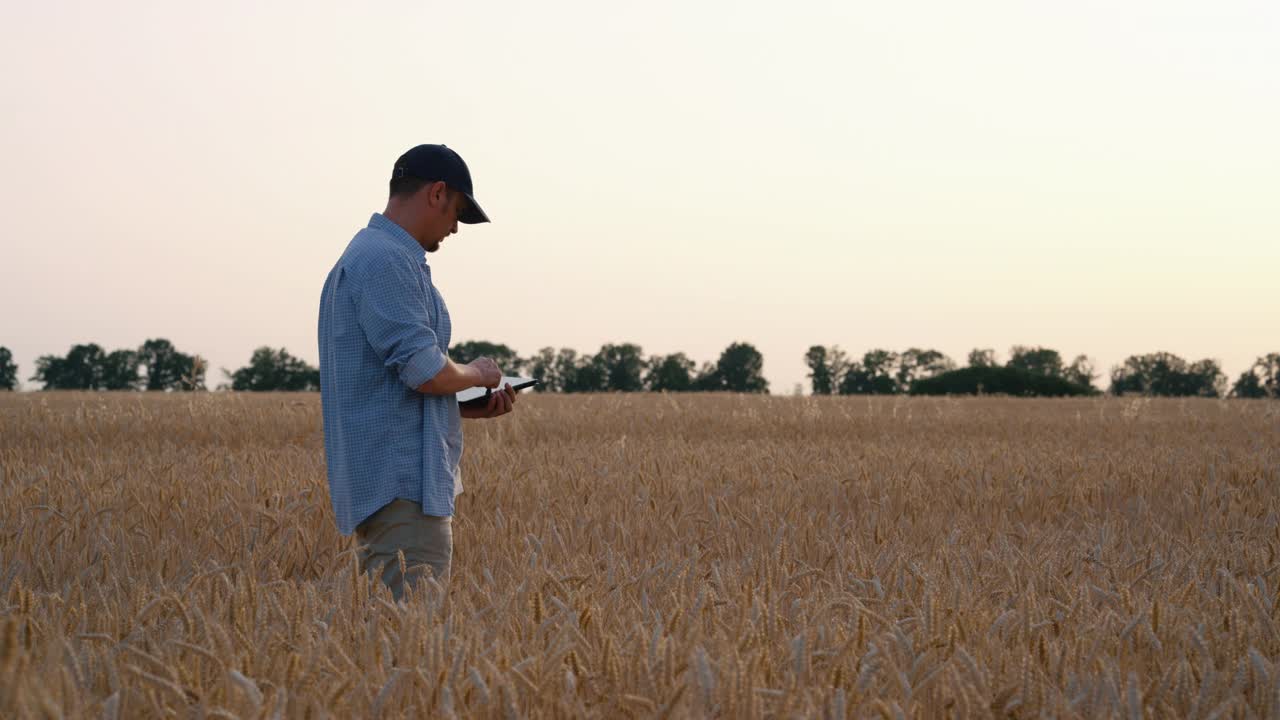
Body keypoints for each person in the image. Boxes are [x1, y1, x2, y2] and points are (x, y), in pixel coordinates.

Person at [317, 144, 518, 600]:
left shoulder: (373, 255)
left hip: (393, 491)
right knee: (410, 647)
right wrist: (479, 372)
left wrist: (467, 406)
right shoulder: (386, 260)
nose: (454, 228)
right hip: (403, 493)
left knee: (396, 642)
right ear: (437, 193)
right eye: (457, 213)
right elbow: (425, 370)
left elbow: (388, 387)